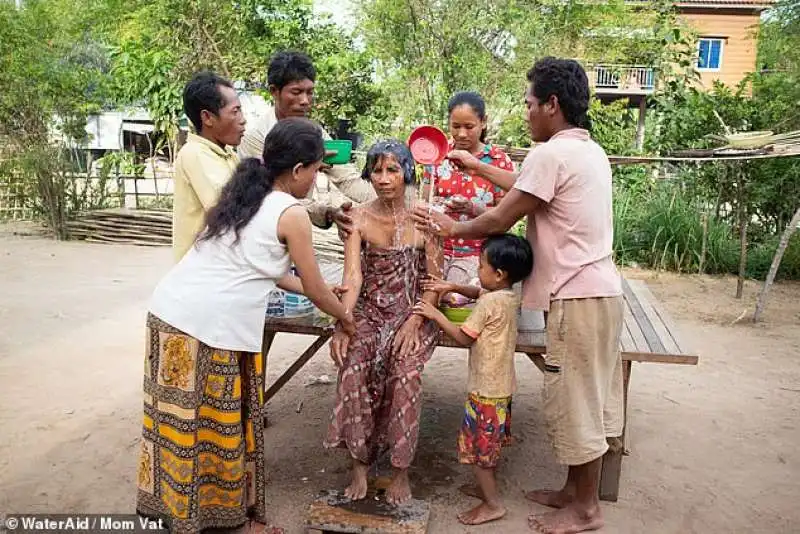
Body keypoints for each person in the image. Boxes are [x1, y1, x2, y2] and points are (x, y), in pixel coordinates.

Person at [412, 57, 624, 534]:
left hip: (577, 297)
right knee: (587, 394)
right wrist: (477, 167)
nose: (526, 112)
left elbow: (498, 220)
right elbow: (528, 189)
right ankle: (573, 490)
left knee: (577, 401)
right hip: (600, 291)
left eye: (530, 104)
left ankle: (586, 509)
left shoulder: (550, 155)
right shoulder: (586, 150)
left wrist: (451, 227)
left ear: (552, 104)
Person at [136, 118, 355, 534]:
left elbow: (266, 268)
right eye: (317, 168)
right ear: (297, 170)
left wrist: (326, 290)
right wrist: (346, 315)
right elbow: (311, 286)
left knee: (179, 423)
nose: (317, 177)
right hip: (204, 327)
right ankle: (231, 523)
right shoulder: (291, 213)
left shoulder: (246, 193)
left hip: (169, 314)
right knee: (220, 425)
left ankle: (175, 514)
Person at [323, 140, 443, 506]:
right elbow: (353, 277)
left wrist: (415, 320)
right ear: (367, 174)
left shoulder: (424, 218)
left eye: (393, 170)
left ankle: (400, 471)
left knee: (405, 375)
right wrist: (343, 322)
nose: (384, 179)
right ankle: (359, 465)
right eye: (377, 170)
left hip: (413, 312)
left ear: (408, 171)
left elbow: (434, 282)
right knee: (353, 368)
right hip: (369, 312)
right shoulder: (358, 217)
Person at [413, 234, 533, 526]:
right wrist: (453, 286)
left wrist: (434, 314)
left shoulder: (488, 304)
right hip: (502, 388)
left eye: (480, 266)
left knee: (479, 452)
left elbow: (464, 337)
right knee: (490, 445)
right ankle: (485, 488)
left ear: (499, 274)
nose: (477, 272)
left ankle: (492, 504)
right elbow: (478, 291)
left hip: (485, 392)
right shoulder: (507, 296)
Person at [239, 50, 397, 235]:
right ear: (274, 91)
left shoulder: (315, 133)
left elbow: (347, 178)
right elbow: (271, 199)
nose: (305, 101)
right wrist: (326, 212)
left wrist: (393, 201)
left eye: (310, 92)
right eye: (296, 92)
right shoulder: (257, 138)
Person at [422, 92, 515, 306]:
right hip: (436, 249)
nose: (461, 134)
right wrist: (434, 206)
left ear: (483, 122)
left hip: (478, 255)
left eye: (469, 127)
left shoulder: (498, 162)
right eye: (455, 126)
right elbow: (425, 198)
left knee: (451, 299)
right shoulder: (437, 156)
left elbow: (505, 218)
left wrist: (472, 208)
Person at [172, 72, 247, 262]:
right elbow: (229, 209)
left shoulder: (228, 154)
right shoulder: (195, 154)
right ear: (207, 118)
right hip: (201, 274)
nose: (243, 119)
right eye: (235, 111)